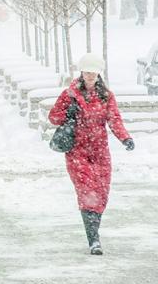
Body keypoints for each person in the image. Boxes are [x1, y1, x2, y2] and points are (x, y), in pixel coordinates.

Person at [48, 53, 135, 256]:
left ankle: (94, 231)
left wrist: (125, 138)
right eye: (86, 71)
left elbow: (114, 119)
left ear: (98, 74)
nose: (89, 75)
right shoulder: (69, 94)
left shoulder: (106, 95)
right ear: (81, 72)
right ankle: (93, 239)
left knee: (102, 192)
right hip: (77, 151)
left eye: (93, 72)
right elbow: (53, 117)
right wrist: (66, 114)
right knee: (87, 192)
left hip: (100, 151)